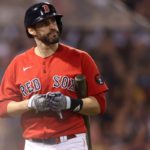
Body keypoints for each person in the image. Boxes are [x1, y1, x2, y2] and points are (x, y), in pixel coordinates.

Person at [0, 2, 108, 150]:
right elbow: (3, 107)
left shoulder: (81, 58)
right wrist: (30, 104)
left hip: (72, 142)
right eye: (44, 23)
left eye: (53, 21)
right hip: (33, 144)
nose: (52, 26)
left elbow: (99, 105)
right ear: (31, 30)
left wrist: (70, 103)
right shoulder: (18, 63)